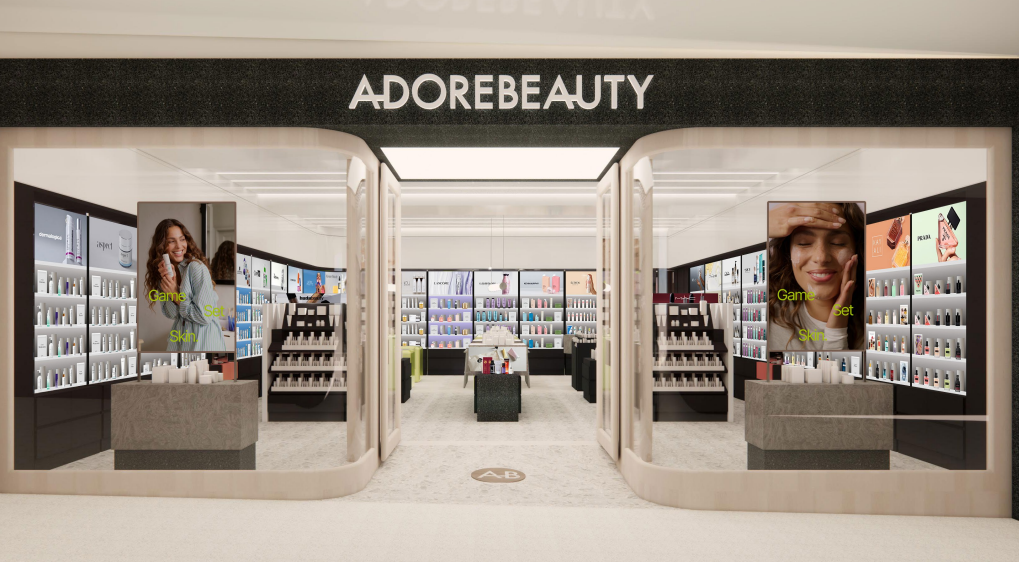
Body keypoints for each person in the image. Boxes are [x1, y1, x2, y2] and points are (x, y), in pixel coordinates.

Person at [767, 202, 865, 350]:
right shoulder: (767, 313)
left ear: (858, 250)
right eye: (804, 243)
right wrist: (764, 222)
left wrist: (837, 331)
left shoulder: (877, 323)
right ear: (788, 253)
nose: (821, 257)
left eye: (837, 243)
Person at [144, 218, 227, 352]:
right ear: (161, 245)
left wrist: (175, 295)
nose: (179, 246)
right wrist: (168, 281)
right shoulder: (168, 273)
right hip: (182, 341)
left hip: (203, 342)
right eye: (171, 241)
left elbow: (204, 316)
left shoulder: (196, 268)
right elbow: (172, 314)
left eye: (182, 239)